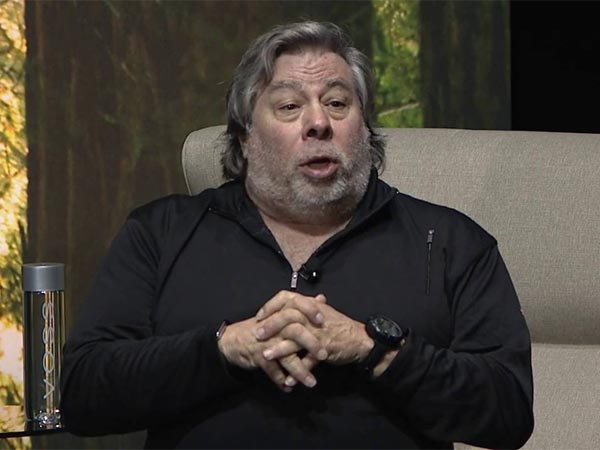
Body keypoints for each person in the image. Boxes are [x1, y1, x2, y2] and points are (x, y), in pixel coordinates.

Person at [60, 21, 534, 449]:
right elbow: (84, 393)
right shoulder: (162, 233)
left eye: (337, 103)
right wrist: (222, 349)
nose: (319, 123)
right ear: (245, 137)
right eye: (289, 106)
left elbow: (508, 412)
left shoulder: (450, 243)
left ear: (365, 129)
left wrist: (374, 350)